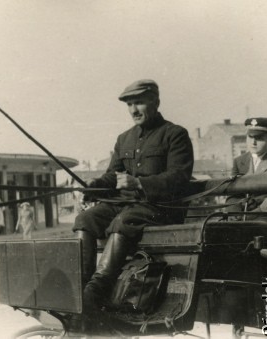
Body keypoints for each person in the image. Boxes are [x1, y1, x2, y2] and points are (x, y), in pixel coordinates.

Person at [73, 79, 194, 313]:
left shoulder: (175, 134)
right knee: (86, 219)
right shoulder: (124, 138)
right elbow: (112, 176)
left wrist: (139, 183)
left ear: (156, 102)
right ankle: (80, 283)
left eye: (139, 103)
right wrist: (94, 186)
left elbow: (179, 177)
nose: (133, 110)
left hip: (159, 207)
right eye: (129, 105)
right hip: (127, 206)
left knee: (124, 220)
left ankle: (97, 289)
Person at [226, 117, 267, 213]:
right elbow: (232, 194)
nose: (253, 142)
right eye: (250, 137)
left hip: (266, 214)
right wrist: (234, 212)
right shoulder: (239, 161)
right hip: (240, 214)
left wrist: (257, 211)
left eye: (259, 138)